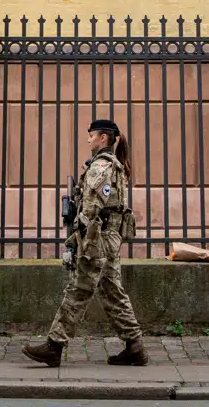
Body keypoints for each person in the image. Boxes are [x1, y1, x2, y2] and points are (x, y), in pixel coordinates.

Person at [23, 118, 147, 367]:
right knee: (112, 292)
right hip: (109, 237)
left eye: (92, 135)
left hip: (97, 238)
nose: (88, 139)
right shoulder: (112, 164)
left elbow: (92, 204)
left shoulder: (102, 165)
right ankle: (135, 346)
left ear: (103, 138)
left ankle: (54, 345)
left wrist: (79, 232)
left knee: (78, 289)